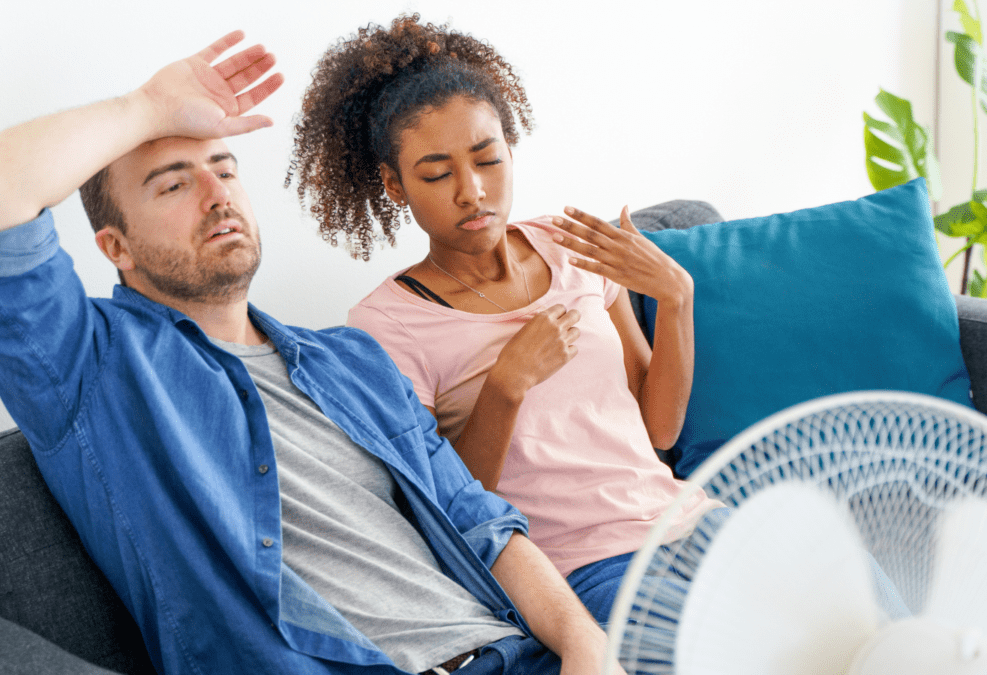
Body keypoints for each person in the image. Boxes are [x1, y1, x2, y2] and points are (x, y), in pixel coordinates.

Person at [0, 30, 622, 675]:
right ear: (116, 247)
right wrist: (145, 109)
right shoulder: (91, 370)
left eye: (225, 170)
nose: (216, 196)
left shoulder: (353, 361)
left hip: (512, 653)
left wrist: (588, 645)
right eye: (173, 183)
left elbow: (482, 525)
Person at [287, 15, 722, 624]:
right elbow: (445, 512)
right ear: (395, 185)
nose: (471, 191)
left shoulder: (575, 247)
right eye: (437, 174)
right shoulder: (386, 325)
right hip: (582, 569)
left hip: (691, 519)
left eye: (487, 160)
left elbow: (660, 432)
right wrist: (505, 385)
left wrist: (676, 301)